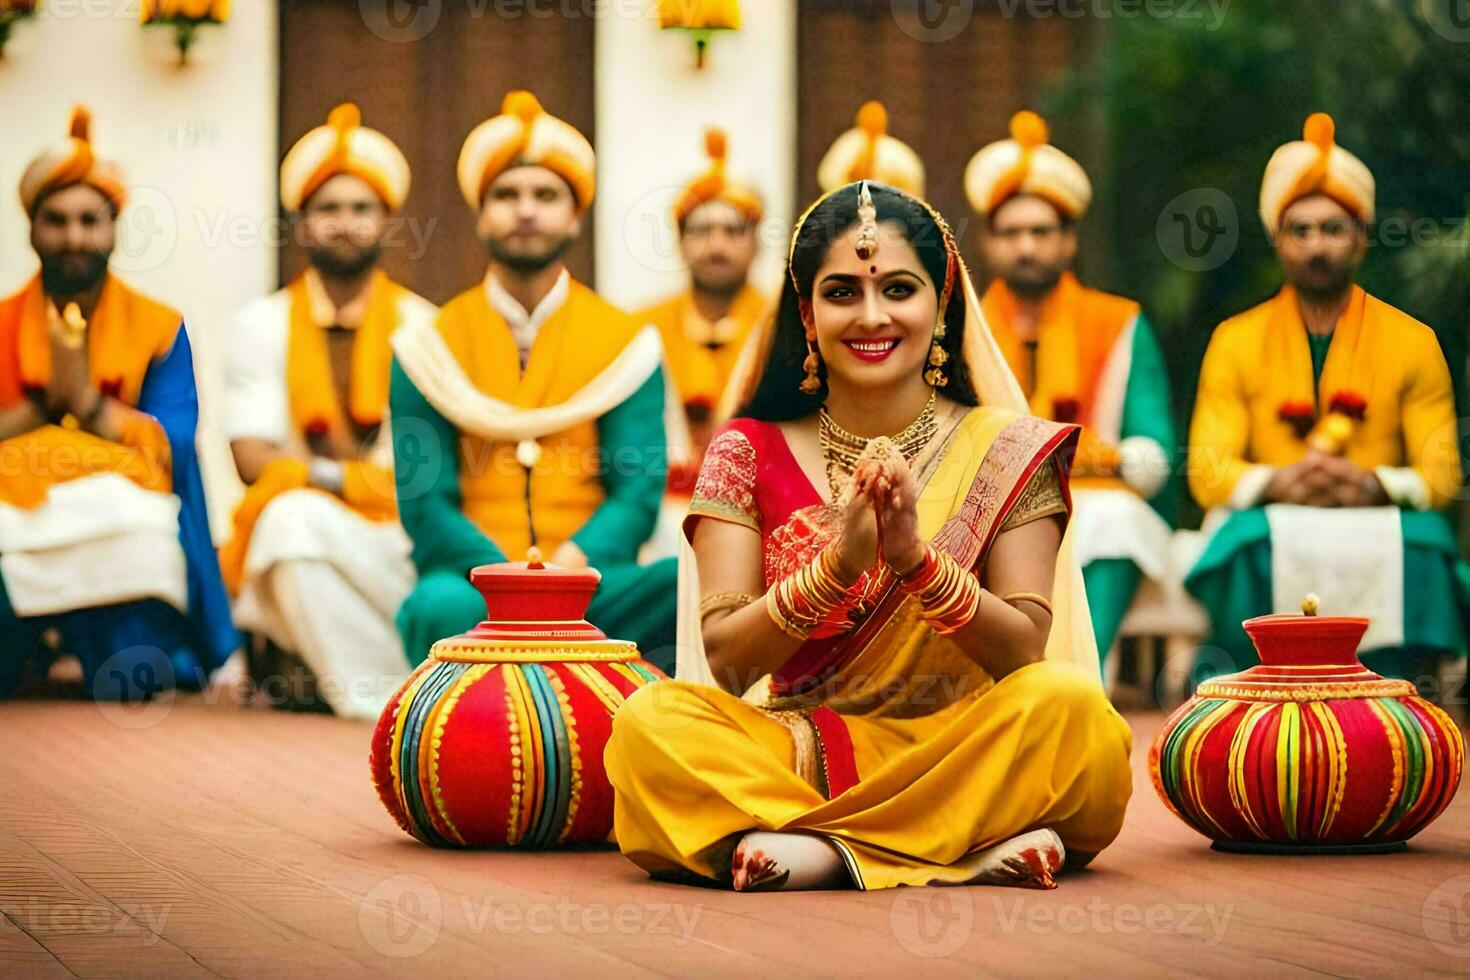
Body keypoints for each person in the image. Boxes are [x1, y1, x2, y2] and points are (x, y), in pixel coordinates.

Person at [605, 181, 1133, 892]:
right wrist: (837, 567)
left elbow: (1023, 652)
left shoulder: (1007, 448)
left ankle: (824, 851)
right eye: (843, 292)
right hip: (803, 748)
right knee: (648, 724)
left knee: (1077, 717)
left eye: (899, 289)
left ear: (941, 301)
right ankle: (958, 844)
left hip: (965, 739)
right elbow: (726, 663)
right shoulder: (746, 449)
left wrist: (915, 561)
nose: (872, 316)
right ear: (807, 311)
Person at [390, 91, 678, 669]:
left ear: (575, 215)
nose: (526, 210)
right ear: (480, 213)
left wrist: (570, 567)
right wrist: (503, 579)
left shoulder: (625, 345)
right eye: (507, 195)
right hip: (472, 587)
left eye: (546, 195)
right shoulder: (427, 347)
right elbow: (426, 503)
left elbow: (637, 491)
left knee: (679, 587)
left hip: (594, 582)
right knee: (435, 605)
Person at [1186, 112, 1468, 680]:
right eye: (1301, 230)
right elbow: (1206, 471)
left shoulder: (1413, 341)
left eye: (1333, 230)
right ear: (1277, 240)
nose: (1317, 246)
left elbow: (1441, 477)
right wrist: (1278, 480)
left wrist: (1371, 483)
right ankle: (1251, 687)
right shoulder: (1235, 340)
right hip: (1275, 512)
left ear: (1361, 239)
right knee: (1240, 543)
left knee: (1429, 542)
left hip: (1375, 512)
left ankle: (1403, 684)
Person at [0, 105, 237, 700]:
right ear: (31, 228)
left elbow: (175, 439)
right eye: (56, 220)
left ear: (114, 227)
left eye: (90, 220)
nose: (74, 237)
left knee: (137, 677)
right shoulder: (2, 324)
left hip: (121, 534)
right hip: (19, 521)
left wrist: (88, 405)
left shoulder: (159, 326)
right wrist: (46, 409)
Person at [220, 104, 435, 719]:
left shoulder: (426, 328)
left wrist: (317, 474)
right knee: (287, 523)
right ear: (302, 223)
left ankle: (331, 673)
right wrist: (351, 483)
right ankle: (385, 701)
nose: (345, 224)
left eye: (361, 209)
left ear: (387, 222)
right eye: (329, 209)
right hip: (311, 523)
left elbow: (420, 476)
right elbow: (251, 459)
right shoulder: (258, 325)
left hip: (397, 535)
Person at [966, 110, 1176, 662]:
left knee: (1118, 521)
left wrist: (1084, 458)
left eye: (1041, 232)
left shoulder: (1119, 322)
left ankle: (1086, 672)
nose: (1027, 247)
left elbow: (1152, 456)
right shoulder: (964, 329)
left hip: (1094, 494)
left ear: (1068, 242)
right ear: (988, 244)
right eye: (1011, 233)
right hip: (991, 501)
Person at [635, 128, 767, 490]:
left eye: (733, 230)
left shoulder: (784, 324)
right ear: (679, 242)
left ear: (756, 242)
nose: (717, 246)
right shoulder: (642, 329)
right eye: (701, 231)